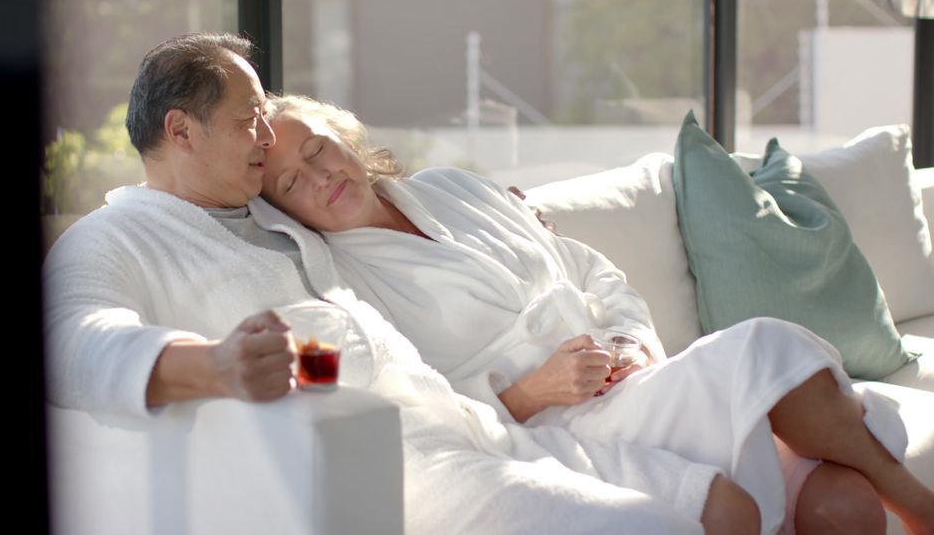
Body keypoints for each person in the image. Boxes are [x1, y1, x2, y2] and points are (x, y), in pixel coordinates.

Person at [42, 32, 773, 534]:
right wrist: (213, 365)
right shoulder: (116, 239)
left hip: (477, 426)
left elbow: (340, 334)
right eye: (251, 121)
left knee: (716, 508)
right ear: (180, 131)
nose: (268, 140)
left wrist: (499, 218)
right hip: (413, 468)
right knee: (650, 528)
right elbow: (69, 338)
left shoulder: (271, 223)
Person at [258, 93, 934, 535]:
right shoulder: (340, 287)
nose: (319, 176)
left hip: (636, 386)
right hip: (558, 428)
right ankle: (916, 503)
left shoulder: (452, 188)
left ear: (345, 134)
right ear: (286, 211)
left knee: (837, 506)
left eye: (317, 147)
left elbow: (592, 272)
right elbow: (419, 410)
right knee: (766, 344)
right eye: (291, 181)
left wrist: (632, 340)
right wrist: (529, 391)